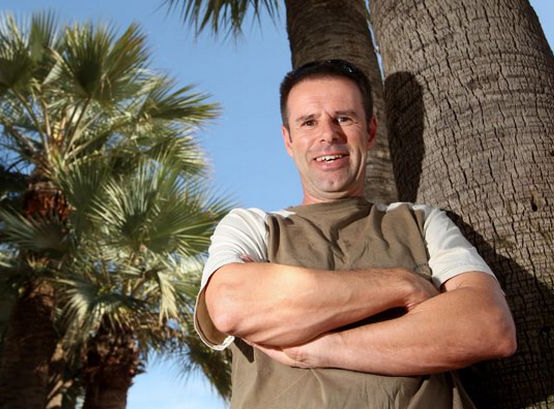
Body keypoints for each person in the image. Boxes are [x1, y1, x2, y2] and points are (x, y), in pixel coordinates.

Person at [194, 59, 516, 408]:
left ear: (371, 130)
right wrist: (402, 286)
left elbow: (490, 326)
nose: (328, 134)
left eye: (344, 118)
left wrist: (320, 349)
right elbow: (230, 305)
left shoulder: (421, 222)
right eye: (309, 122)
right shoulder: (253, 227)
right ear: (288, 140)